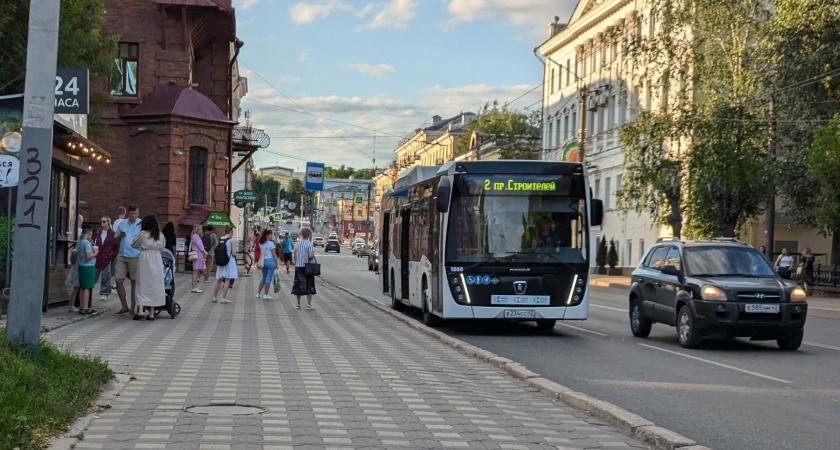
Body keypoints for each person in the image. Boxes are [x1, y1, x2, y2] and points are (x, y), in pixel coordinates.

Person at [131, 214, 165, 320]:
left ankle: (140, 310)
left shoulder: (142, 234)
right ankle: (151, 313)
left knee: (142, 283)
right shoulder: (160, 235)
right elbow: (162, 247)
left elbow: (134, 244)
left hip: (145, 258)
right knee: (155, 284)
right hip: (156, 258)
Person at [113, 204, 142, 315]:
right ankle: (124, 306)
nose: (133, 215)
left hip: (135, 256)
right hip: (122, 255)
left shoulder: (141, 224)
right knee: (118, 280)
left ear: (138, 213)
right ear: (128, 213)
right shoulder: (122, 223)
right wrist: (120, 236)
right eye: (131, 213)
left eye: (135, 213)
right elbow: (115, 239)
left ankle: (133, 308)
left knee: (134, 282)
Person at [291, 228, 316, 310]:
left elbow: (295, 255)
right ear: (309, 235)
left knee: (298, 284)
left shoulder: (297, 244)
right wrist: (310, 258)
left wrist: (296, 263)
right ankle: (309, 304)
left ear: (301, 235)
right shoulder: (309, 244)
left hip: (298, 266)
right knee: (309, 284)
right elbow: (311, 255)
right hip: (307, 267)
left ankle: (298, 303)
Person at [94, 216, 118, 302]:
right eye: (101, 221)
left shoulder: (113, 234)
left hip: (107, 257)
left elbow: (116, 247)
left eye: (104, 221)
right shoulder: (98, 232)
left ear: (108, 222)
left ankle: (105, 293)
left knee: (106, 275)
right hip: (98, 256)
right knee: (94, 273)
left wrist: (112, 256)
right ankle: (88, 289)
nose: (102, 223)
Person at [77, 225, 99, 315]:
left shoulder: (79, 241)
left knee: (82, 287)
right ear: (89, 233)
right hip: (88, 266)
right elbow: (88, 256)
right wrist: (95, 253)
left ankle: (82, 306)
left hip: (81, 265)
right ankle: (86, 307)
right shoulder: (86, 243)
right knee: (87, 287)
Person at [212, 226, 237, 304]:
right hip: (229, 261)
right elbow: (233, 253)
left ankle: (214, 297)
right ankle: (223, 298)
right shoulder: (231, 240)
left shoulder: (221, 238)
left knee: (219, 280)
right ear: (231, 232)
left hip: (221, 261)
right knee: (227, 280)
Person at [257, 229, 278, 300]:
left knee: (264, 278)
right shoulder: (271, 244)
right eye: (270, 234)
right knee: (268, 278)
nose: (271, 236)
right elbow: (274, 254)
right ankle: (266, 294)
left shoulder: (261, 243)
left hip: (264, 261)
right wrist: (276, 263)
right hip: (270, 261)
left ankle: (258, 293)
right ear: (267, 235)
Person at [110, 206, 126, 290]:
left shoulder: (115, 222)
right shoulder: (123, 222)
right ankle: (116, 285)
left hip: (114, 244)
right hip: (120, 245)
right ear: (124, 213)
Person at [189, 224, 207, 293]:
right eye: (201, 229)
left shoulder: (195, 236)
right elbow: (200, 245)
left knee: (196, 271)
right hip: (198, 254)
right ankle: (194, 287)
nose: (202, 230)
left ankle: (195, 287)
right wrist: (204, 252)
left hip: (199, 254)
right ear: (197, 230)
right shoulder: (195, 236)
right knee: (195, 271)